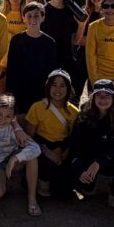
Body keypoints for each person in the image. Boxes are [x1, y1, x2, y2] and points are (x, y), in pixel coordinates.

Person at [68, 79, 114, 207]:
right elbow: (75, 145)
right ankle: (90, 183)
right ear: (93, 97)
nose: (103, 99)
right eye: (99, 95)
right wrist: (80, 169)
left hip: (109, 159)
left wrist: (100, 161)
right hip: (89, 158)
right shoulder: (83, 117)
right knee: (88, 191)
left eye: (107, 96)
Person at [0, 94, 42, 216]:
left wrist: (14, 158)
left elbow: (36, 148)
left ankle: (32, 199)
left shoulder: (15, 130)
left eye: (8, 116)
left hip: (11, 160)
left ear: (13, 118)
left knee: (32, 157)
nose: (2, 119)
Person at [25, 69, 79, 198]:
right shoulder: (37, 107)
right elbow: (29, 137)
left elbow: (74, 139)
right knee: (45, 168)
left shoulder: (74, 112)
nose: (57, 90)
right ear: (48, 86)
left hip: (63, 149)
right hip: (42, 147)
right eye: (54, 85)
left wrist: (63, 154)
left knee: (63, 191)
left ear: (68, 89)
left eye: (62, 86)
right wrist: (47, 152)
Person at [3, 2, 57, 114]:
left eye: (36, 15)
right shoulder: (16, 40)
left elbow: (51, 70)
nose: (33, 19)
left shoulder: (49, 42)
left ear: (43, 18)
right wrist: (10, 93)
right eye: (29, 16)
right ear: (23, 18)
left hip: (41, 91)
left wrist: (50, 93)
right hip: (20, 90)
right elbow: (11, 69)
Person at [42, 0, 85, 81]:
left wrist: (81, 25)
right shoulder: (42, 12)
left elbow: (76, 41)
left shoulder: (71, 12)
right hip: (46, 61)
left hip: (67, 62)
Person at [71, 0, 107, 99]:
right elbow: (77, 40)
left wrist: (88, 40)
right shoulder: (83, 13)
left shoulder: (110, 13)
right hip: (83, 55)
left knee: (95, 91)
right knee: (76, 89)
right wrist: (96, 41)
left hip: (101, 57)